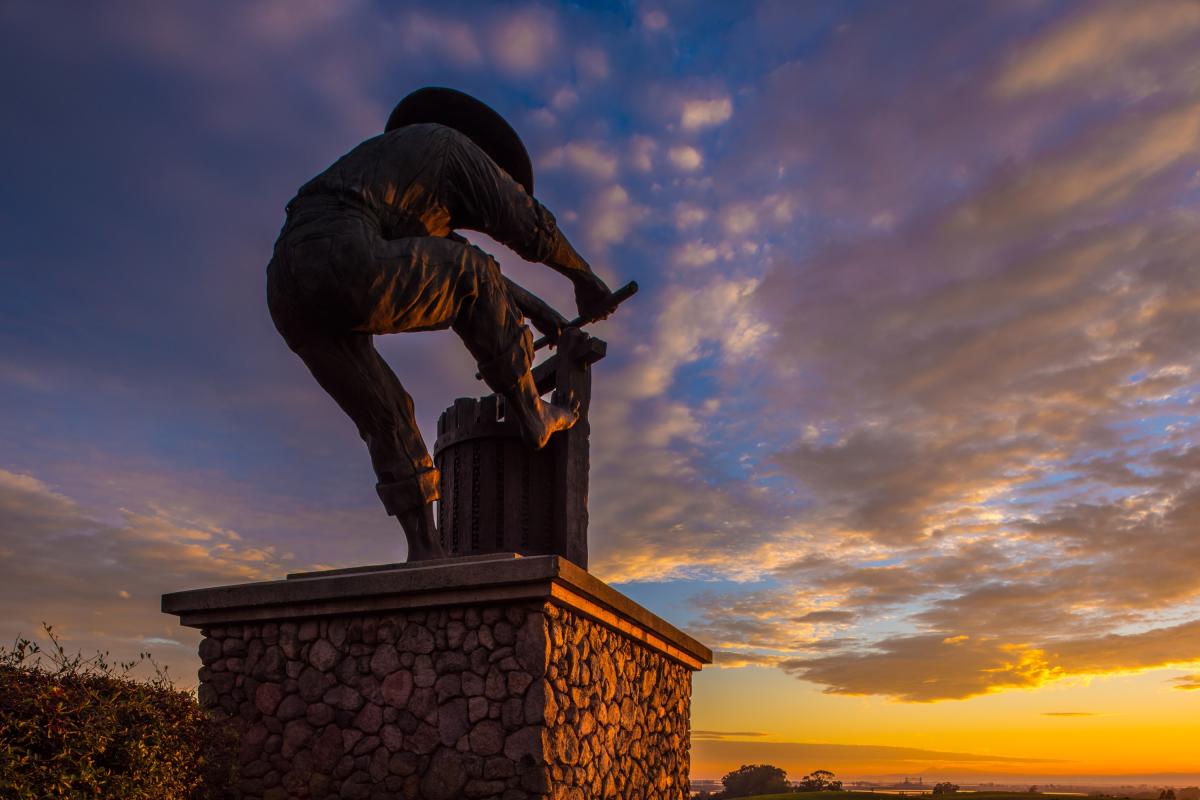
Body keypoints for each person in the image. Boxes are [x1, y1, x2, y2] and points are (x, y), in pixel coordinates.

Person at [266, 87, 613, 560]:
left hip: (288, 283)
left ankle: (425, 548)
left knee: (386, 413)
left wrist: (537, 308)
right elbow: (526, 225)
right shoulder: (450, 146)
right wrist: (583, 276)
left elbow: (456, 263)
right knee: (474, 276)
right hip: (343, 253)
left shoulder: (397, 180)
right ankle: (533, 413)